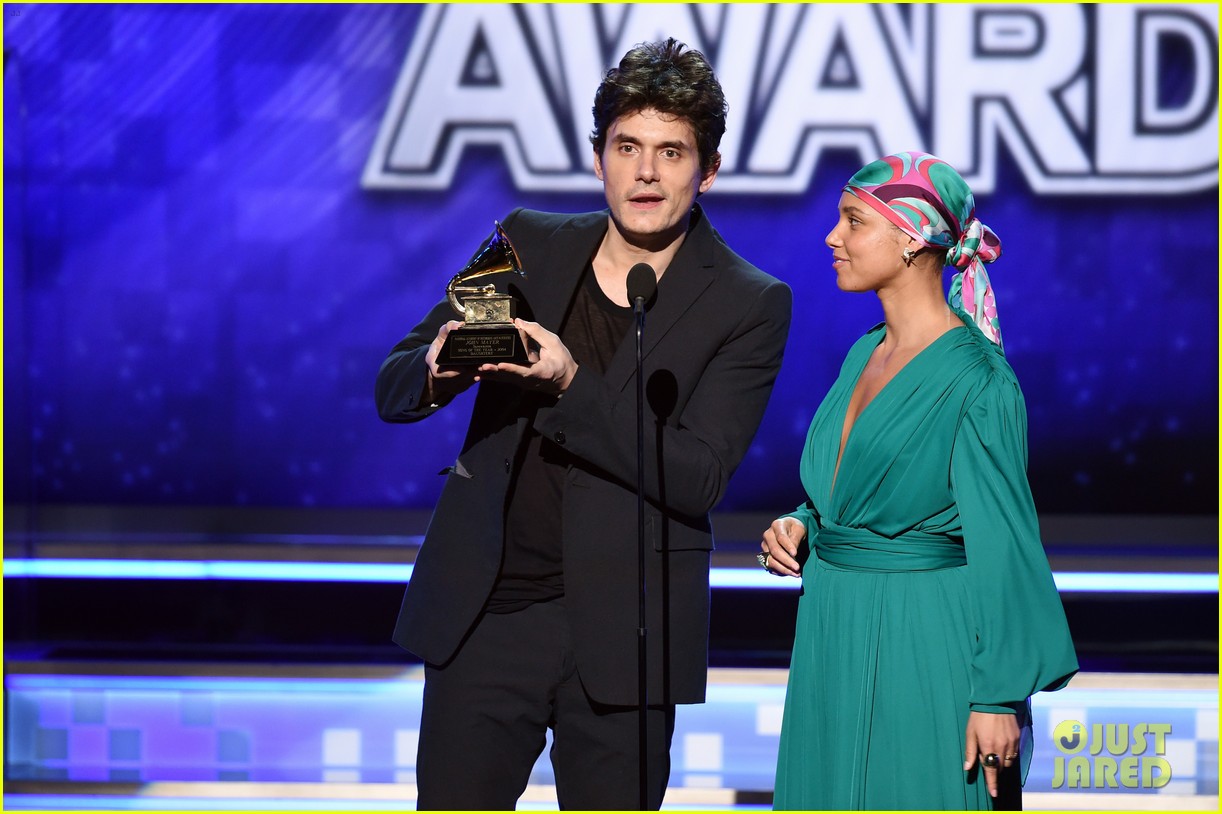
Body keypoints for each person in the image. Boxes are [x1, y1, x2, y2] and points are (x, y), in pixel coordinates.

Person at [375, 38, 792, 810]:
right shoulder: (527, 242)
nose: (646, 172)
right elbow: (395, 386)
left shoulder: (749, 301)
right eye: (628, 147)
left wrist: (571, 382)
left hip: (627, 633)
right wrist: (443, 367)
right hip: (486, 617)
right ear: (597, 157)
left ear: (708, 170)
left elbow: (698, 475)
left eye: (671, 152)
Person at [758, 152, 1078, 810]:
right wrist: (802, 523)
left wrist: (996, 697)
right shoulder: (864, 351)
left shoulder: (978, 380)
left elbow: (1004, 543)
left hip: (924, 639)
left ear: (911, 238)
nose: (832, 237)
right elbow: (862, 489)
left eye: (854, 221)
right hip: (832, 630)